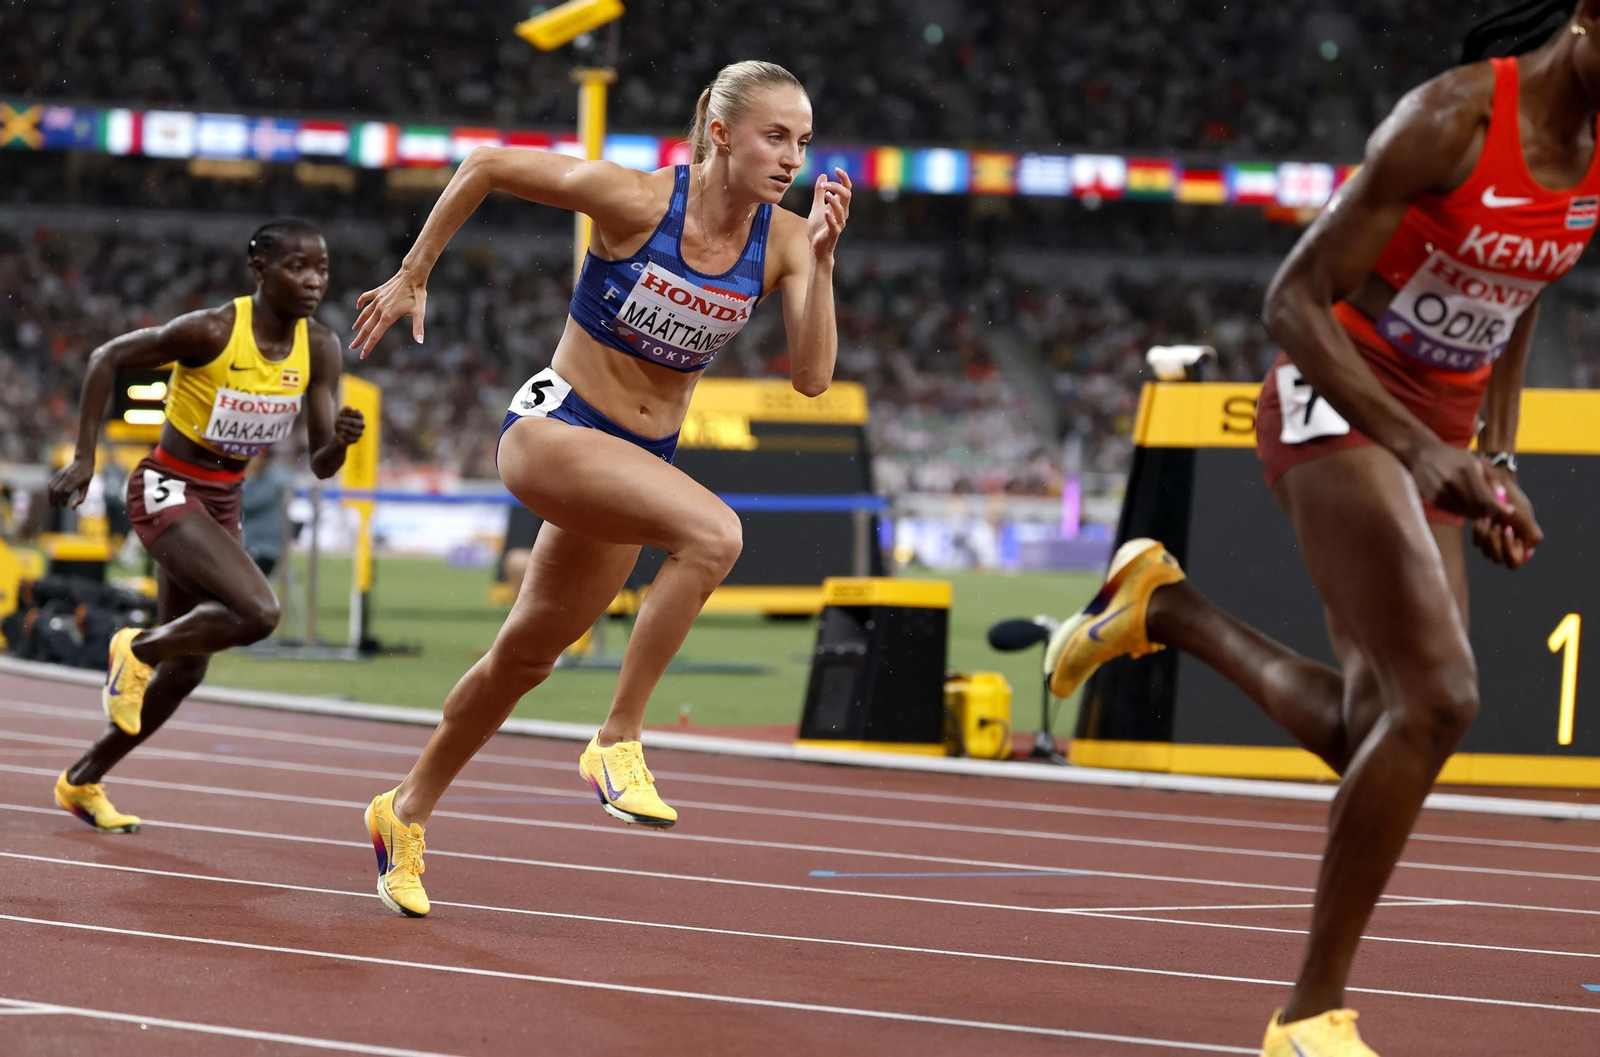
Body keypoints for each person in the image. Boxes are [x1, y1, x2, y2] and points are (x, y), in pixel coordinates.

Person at [1047, 4, 1600, 1054]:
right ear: (1585, 16)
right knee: (1440, 699)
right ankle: (1307, 1012)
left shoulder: (1592, 153)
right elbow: (1290, 300)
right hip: (1333, 397)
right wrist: (1421, 446)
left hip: (1438, 428)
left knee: (1376, 732)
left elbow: (1523, 291)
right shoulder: (1444, 119)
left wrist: (1494, 454)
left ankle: (1166, 610)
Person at [349, 59, 849, 918]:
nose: (791, 158)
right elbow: (487, 165)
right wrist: (414, 272)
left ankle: (403, 810)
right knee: (716, 535)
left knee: (524, 658)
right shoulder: (637, 201)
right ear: (721, 134)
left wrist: (825, 264)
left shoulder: (792, 240)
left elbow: (811, 379)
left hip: (634, 463)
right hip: (555, 431)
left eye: (802, 141)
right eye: (775, 136)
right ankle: (617, 738)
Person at [46, 218, 365, 834]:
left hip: (223, 499)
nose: (312, 281)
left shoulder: (320, 348)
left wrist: (342, 443)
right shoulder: (214, 330)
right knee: (260, 613)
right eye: (297, 267)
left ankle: (82, 780)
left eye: (321, 269)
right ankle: (134, 649)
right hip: (168, 485)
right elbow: (105, 357)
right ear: (260, 269)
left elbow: (322, 464)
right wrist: (84, 457)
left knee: (189, 667)